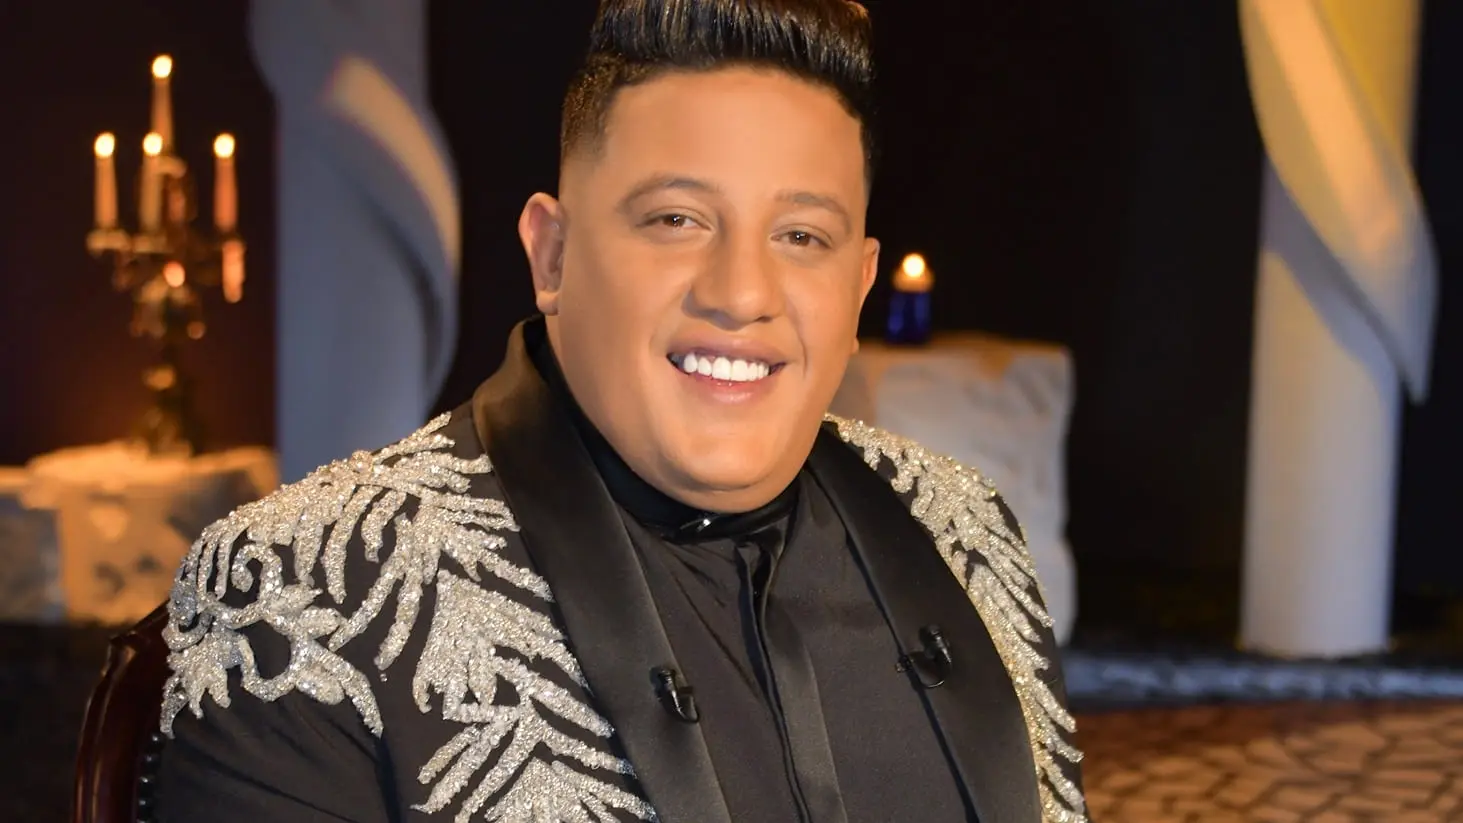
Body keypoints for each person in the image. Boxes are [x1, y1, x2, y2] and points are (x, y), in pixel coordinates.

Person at [154, 0, 1086, 820]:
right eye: (677, 220)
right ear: (552, 256)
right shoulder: (312, 587)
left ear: (858, 289)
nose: (742, 292)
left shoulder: (960, 528)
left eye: (802, 236)